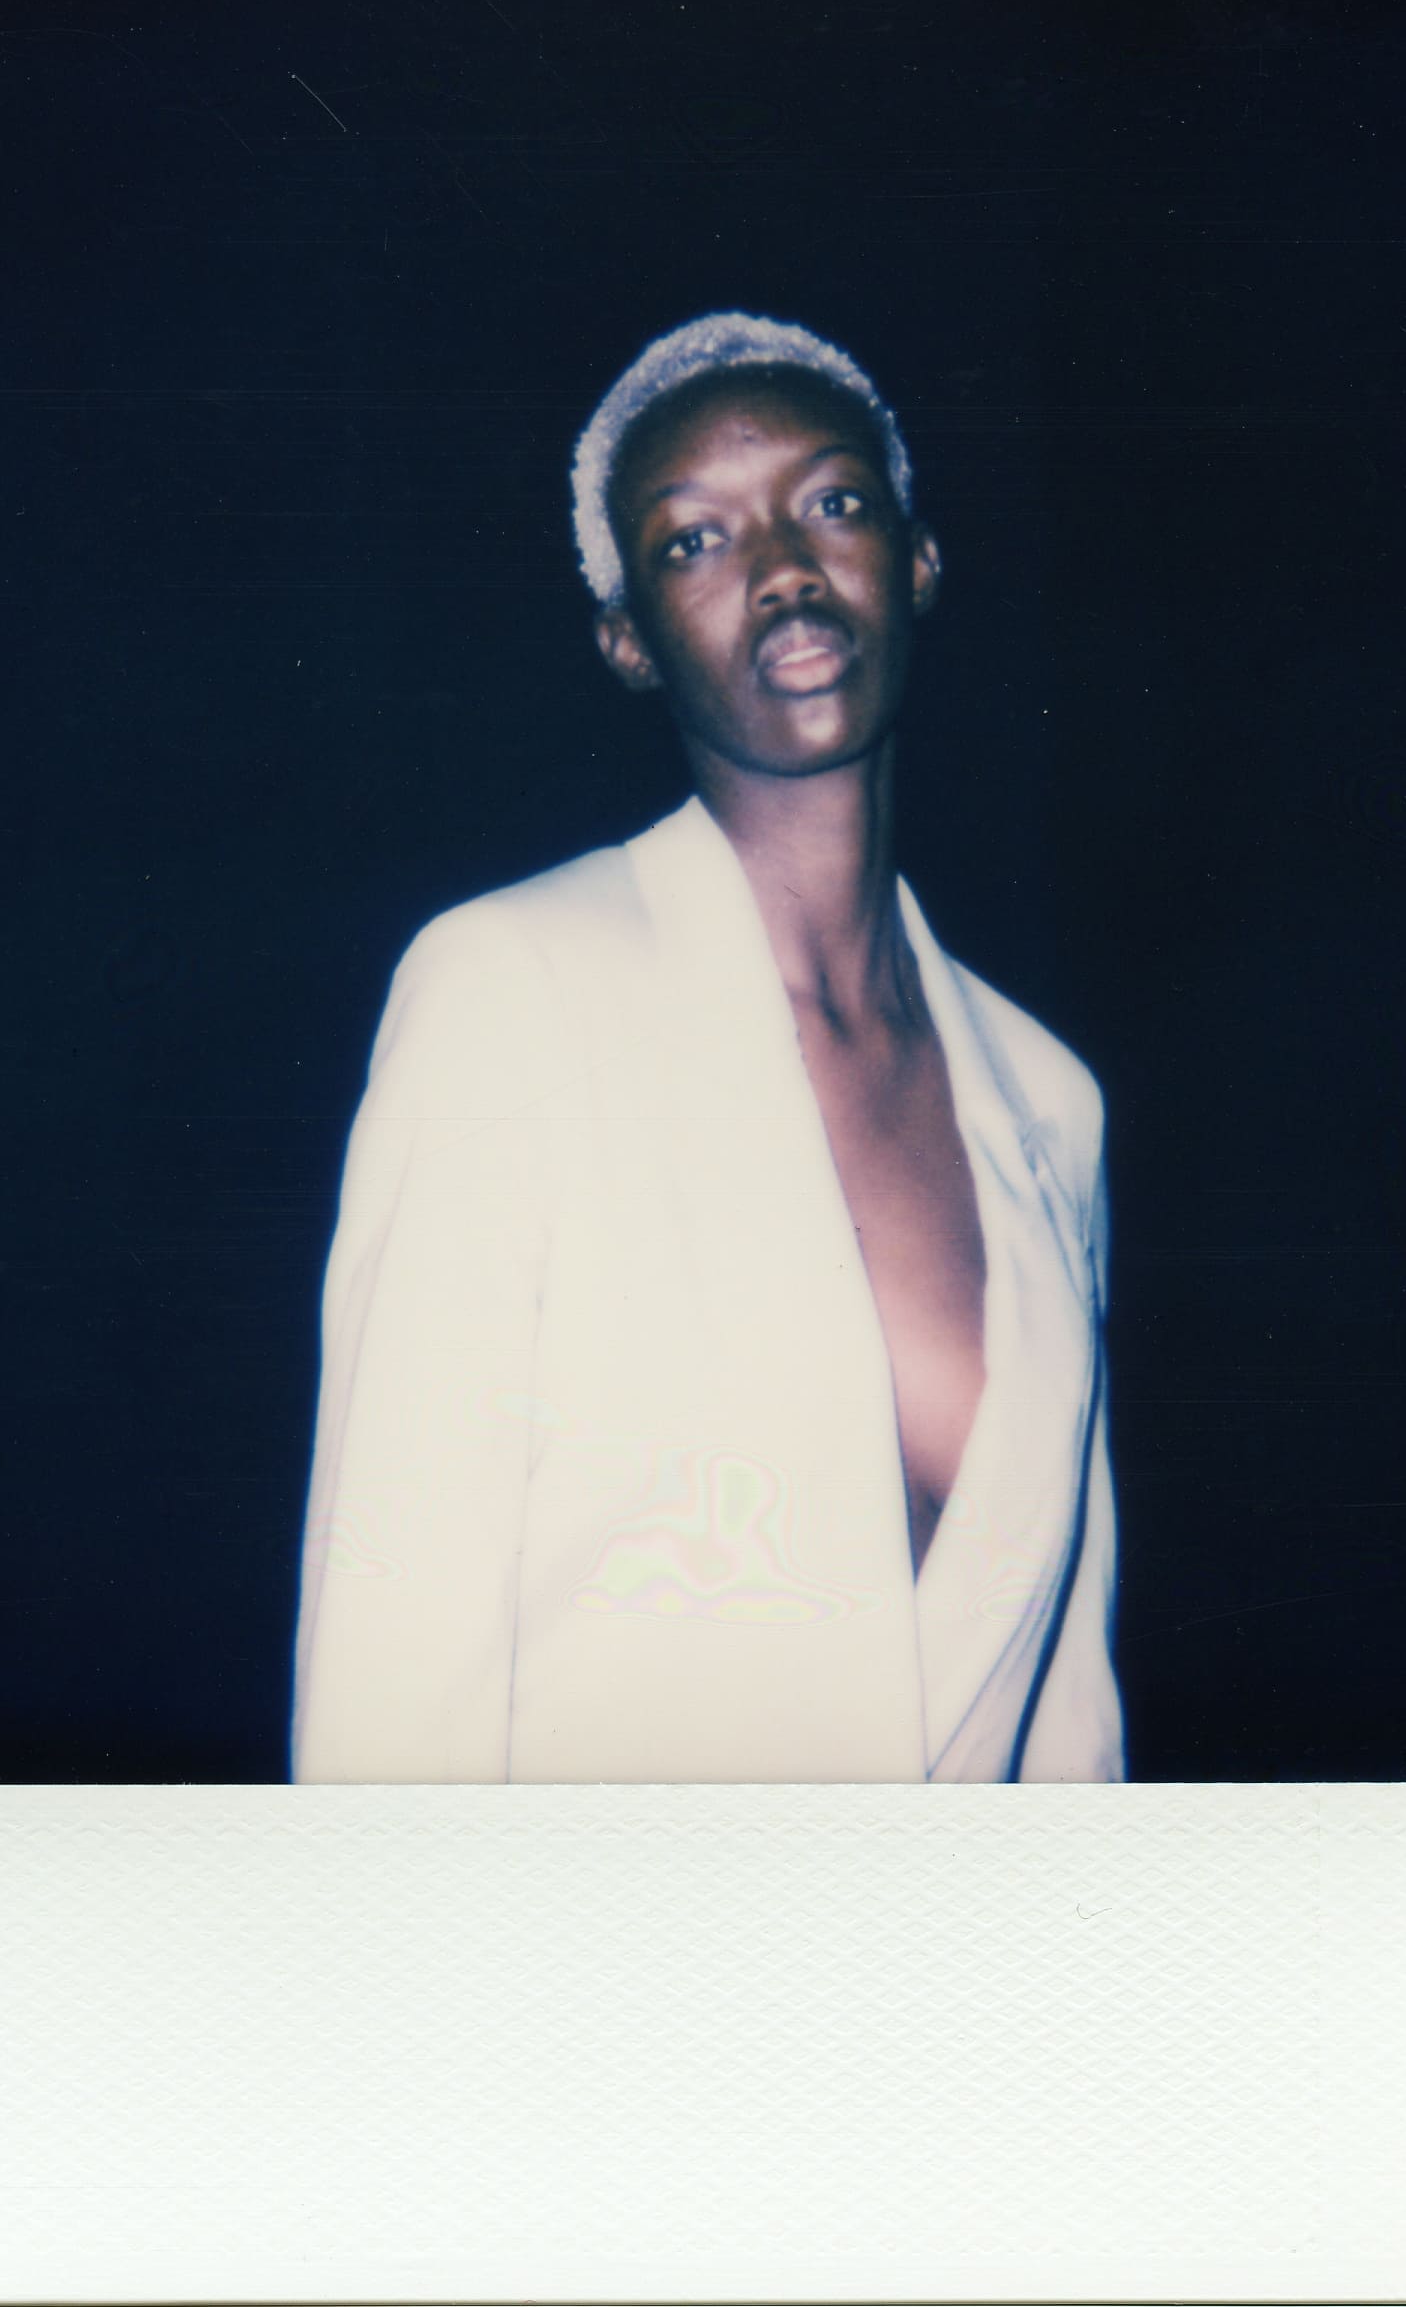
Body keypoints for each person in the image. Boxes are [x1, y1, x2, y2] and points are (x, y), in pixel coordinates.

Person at [291, 312, 1124, 1783]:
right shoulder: (511, 991)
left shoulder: (1047, 1098)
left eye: (834, 502)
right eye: (695, 540)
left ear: (918, 562)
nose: (784, 566)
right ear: (628, 641)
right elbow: (392, 1655)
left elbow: (1066, 1707)